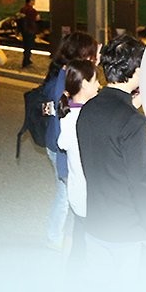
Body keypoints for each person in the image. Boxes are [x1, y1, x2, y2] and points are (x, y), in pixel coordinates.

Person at [77, 34, 146, 277]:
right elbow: (140, 182)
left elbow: (112, 123)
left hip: (95, 223)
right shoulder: (131, 122)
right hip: (125, 229)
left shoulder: (88, 110)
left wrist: (133, 103)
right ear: (136, 70)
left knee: (99, 290)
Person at [40, 32, 100, 251]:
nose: (94, 58)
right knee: (66, 194)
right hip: (60, 147)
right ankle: (55, 238)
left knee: (67, 193)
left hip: (56, 143)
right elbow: (60, 123)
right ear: (81, 54)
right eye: (91, 54)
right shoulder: (65, 79)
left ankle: (60, 237)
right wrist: (66, 158)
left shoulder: (63, 73)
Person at [57, 59, 102, 258]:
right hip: (89, 196)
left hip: (78, 192)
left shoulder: (70, 113)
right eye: (95, 80)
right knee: (88, 247)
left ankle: (70, 269)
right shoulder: (84, 118)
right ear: (84, 84)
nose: (99, 85)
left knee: (78, 238)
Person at [18, 0, 39, 68]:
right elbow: (37, 18)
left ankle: (27, 60)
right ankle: (26, 61)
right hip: (30, 30)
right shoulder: (32, 10)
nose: (34, 2)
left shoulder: (22, 9)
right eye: (33, 0)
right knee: (29, 46)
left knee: (26, 46)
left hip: (24, 31)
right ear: (31, 1)